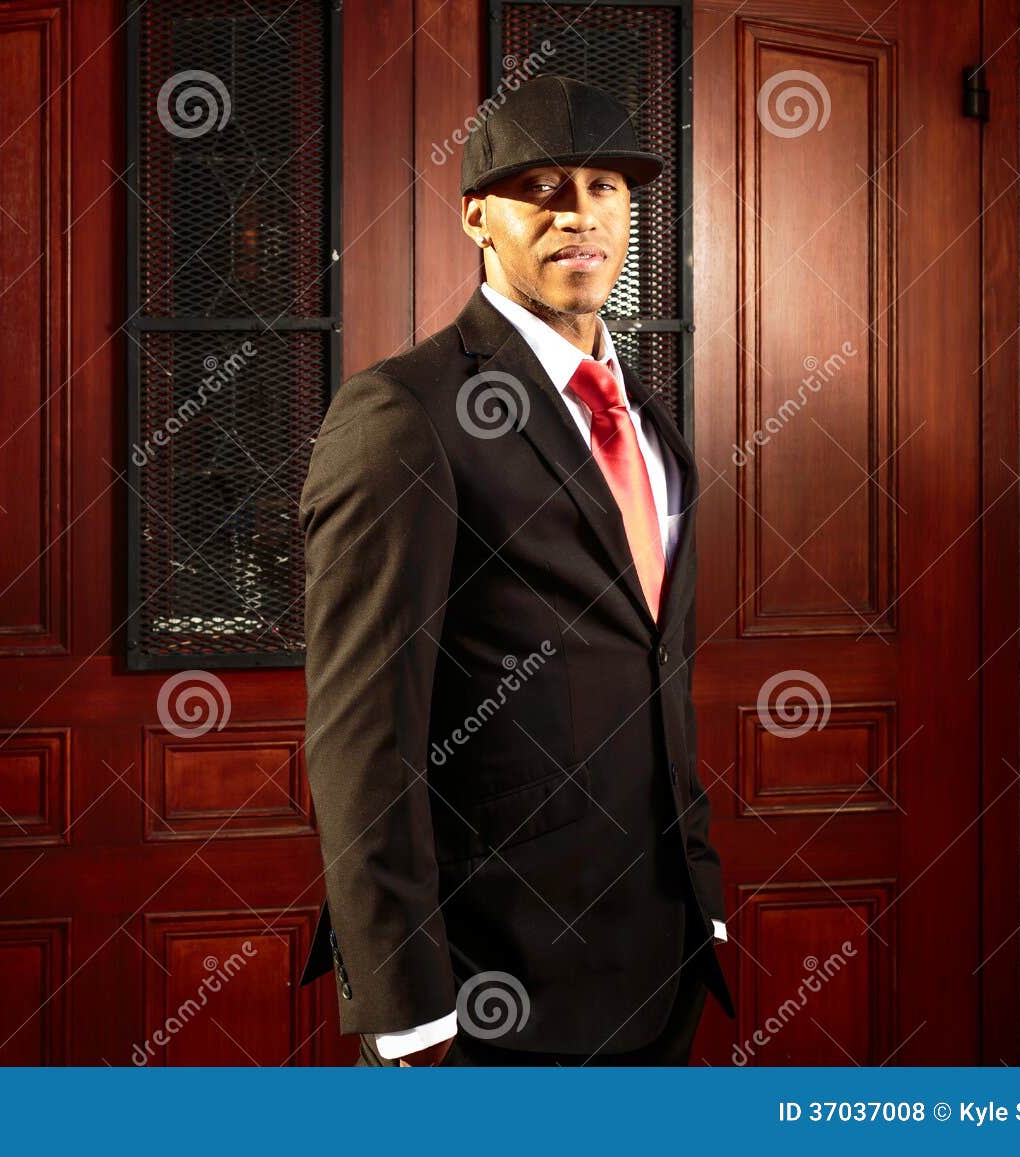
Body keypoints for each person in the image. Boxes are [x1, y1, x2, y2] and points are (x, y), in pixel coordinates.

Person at [297, 75, 734, 1066]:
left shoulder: (651, 425)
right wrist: (407, 1002)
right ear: (475, 217)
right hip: (490, 985)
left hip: (660, 963)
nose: (577, 213)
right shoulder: (406, 414)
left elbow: (654, 670)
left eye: (603, 187)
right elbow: (363, 727)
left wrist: (700, 903)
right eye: (539, 187)